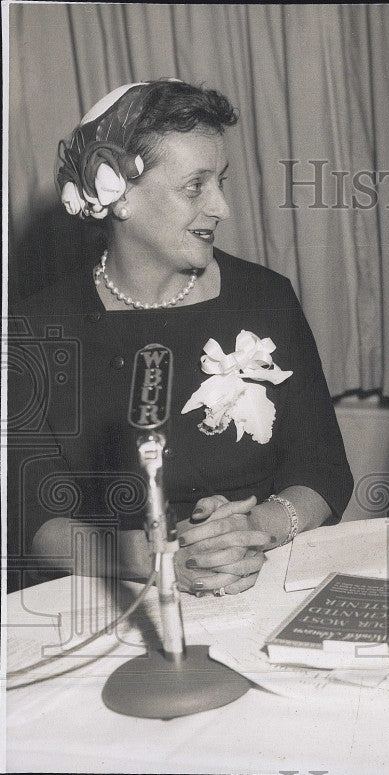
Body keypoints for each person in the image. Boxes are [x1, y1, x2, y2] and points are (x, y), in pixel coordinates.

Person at [10, 79, 353, 595]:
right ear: (120, 196)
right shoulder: (35, 329)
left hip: (254, 573)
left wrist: (255, 528)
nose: (221, 207)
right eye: (195, 186)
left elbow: (323, 471)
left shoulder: (266, 297)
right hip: (112, 592)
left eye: (221, 182)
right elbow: (38, 523)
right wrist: (161, 557)